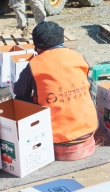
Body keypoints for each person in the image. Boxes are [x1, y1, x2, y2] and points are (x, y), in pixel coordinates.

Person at [13, 21, 97, 159]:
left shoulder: (34, 65)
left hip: (56, 140)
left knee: (20, 100)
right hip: (88, 132)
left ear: (37, 47)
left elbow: (19, 91)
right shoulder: (78, 58)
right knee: (89, 83)